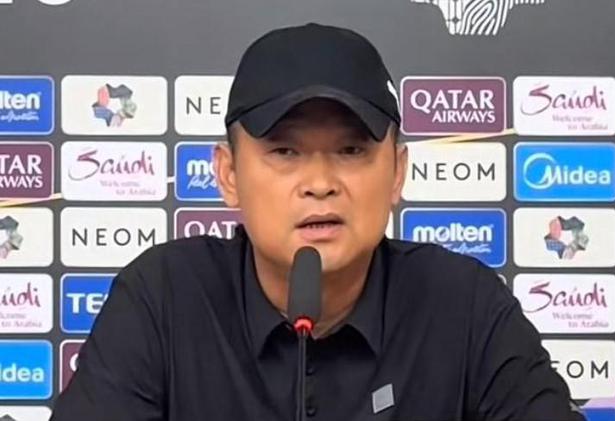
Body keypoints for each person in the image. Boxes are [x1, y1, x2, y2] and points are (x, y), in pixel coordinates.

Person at [51, 22, 585, 421]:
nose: (321, 182)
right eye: (285, 152)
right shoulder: (164, 296)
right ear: (228, 174)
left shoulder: (463, 304)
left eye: (351, 150)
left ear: (397, 172)